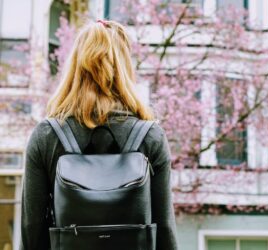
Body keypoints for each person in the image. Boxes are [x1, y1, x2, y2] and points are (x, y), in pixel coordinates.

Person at [20, 20, 178, 250]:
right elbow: (164, 229)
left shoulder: (46, 136)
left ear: (74, 67)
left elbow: (31, 230)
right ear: (125, 68)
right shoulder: (150, 137)